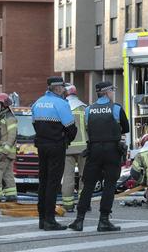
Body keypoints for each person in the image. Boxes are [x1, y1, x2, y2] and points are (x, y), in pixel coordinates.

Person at [69, 81, 129, 232]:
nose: (113, 94)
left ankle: (79, 220)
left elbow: (87, 127)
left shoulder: (88, 110)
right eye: (112, 91)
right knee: (109, 185)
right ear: (107, 92)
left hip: (94, 150)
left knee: (88, 185)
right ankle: (104, 221)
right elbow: (126, 128)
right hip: (111, 151)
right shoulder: (116, 108)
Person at [32, 76, 77, 231]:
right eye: (63, 88)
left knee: (43, 181)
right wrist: (65, 139)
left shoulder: (37, 103)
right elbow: (71, 128)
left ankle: (42, 219)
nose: (65, 90)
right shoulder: (62, 104)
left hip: (42, 146)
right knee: (53, 183)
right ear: (57, 88)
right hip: (56, 146)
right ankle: (50, 220)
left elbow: (34, 125)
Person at [61, 84, 87, 212]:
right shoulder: (83, 108)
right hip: (83, 148)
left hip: (67, 148)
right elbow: (89, 128)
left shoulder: (62, 108)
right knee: (85, 176)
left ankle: (68, 205)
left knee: (68, 177)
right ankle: (84, 204)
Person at [0, 93, 18, 202]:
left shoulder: (9, 118)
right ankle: (11, 195)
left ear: (4, 105)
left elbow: (12, 136)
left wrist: (5, 151)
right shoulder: (2, 117)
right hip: (5, 151)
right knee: (7, 174)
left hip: (4, 152)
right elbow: (1, 136)